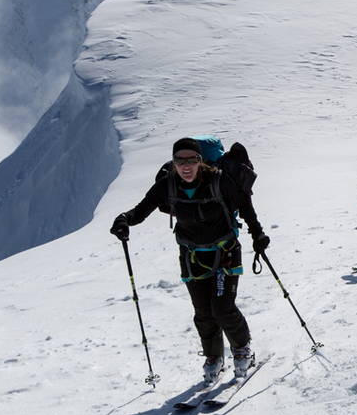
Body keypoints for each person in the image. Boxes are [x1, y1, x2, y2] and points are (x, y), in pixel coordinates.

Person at [110, 137, 270, 383]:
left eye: (192, 160)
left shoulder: (218, 180)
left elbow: (244, 205)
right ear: (173, 162)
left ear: (200, 161)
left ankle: (242, 349)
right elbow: (141, 211)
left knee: (223, 308)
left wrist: (257, 233)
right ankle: (214, 357)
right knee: (203, 312)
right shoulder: (167, 185)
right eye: (179, 160)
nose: (185, 166)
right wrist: (123, 219)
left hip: (224, 252)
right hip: (192, 256)